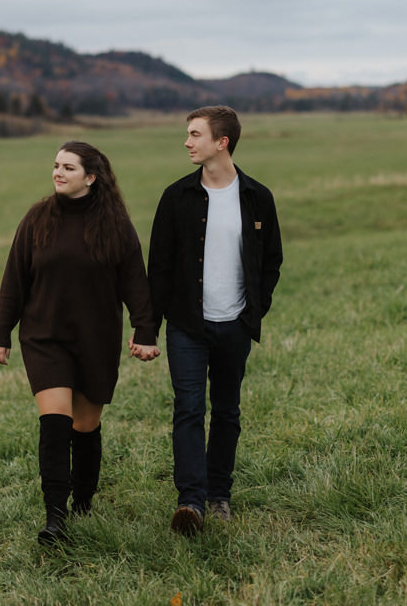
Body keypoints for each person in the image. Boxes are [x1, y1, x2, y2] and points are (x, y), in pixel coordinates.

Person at [0, 140, 160, 545]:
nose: (58, 172)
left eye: (68, 167)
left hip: (95, 339)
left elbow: (135, 283)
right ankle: (55, 518)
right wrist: (2, 333)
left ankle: (83, 502)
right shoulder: (37, 219)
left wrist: (145, 331)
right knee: (55, 424)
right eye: (56, 165)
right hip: (44, 337)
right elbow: (14, 278)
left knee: (85, 427)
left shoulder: (115, 225)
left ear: (91, 177)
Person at [145, 105, 283, 536]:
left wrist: (252, 312)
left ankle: (219, 495)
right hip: (187, 326)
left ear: (222, 142)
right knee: (188, 409)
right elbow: (159, 268)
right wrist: (147, 329)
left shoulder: (257, 197)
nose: (187, 142)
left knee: (226, 411)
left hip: (234, 325)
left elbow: (271, 261)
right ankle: (191, 502)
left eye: (195, 134)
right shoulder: (176, 197)